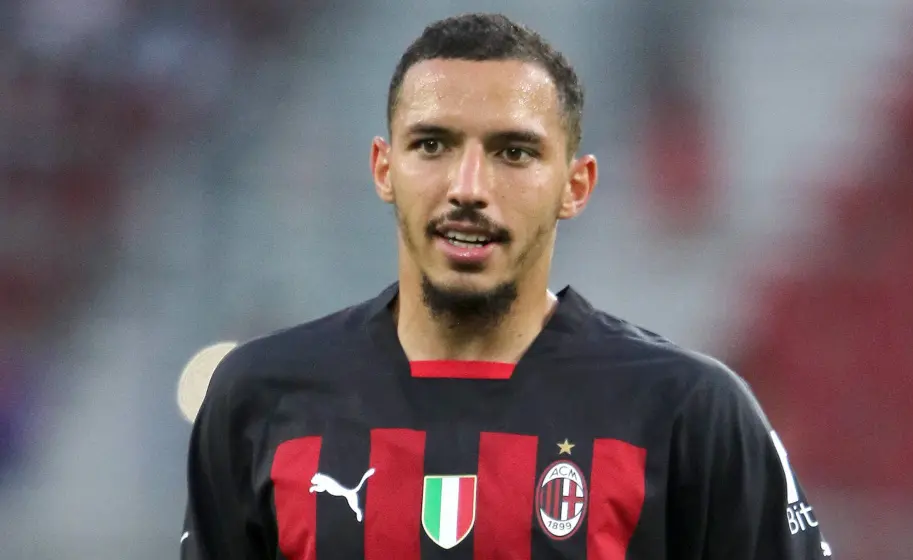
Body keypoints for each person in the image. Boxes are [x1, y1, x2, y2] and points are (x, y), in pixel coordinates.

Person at [182, 12, 833, 560]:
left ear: (575, 185)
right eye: (432, 145)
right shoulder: (258, 401)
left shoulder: (689, 413)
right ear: (384, 168)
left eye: (513, 152)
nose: (468, 188)